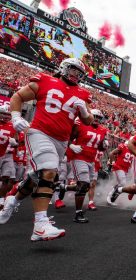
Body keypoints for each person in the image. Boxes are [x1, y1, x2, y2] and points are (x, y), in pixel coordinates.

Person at [0, 58, 93, 242]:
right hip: (39, 132)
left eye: (79, 73)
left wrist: (84, 113)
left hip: (61, 141)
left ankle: (13, 200)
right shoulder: (45, 80)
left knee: (38, 176)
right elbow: (18, 96)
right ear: (64, 67)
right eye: (74, 70)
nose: (76, 75)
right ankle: (40, 225)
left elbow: (89, 122)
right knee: (48, 171)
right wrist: (16, 117)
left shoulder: (82, 93)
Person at [66, 109, 108, 222]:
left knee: (86, 185)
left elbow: (99, 147)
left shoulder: (103, 130)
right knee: (84, 184)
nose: (97, 119)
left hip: (91, 160)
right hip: (79, 158)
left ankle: (63, 187)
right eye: (95, 116)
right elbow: (68, 137)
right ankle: (78, 213)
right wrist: (71, 146)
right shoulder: (80, 123)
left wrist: (103, 146)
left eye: (99, 118)